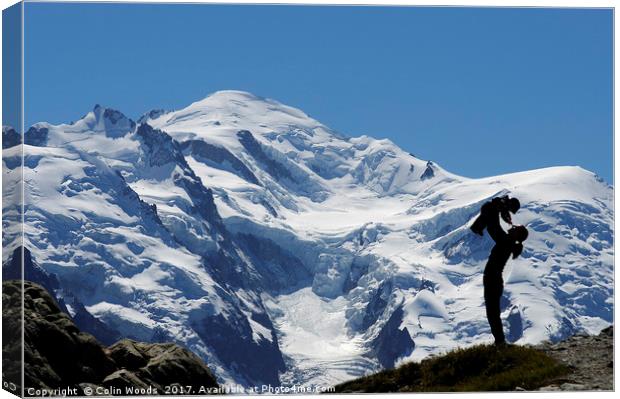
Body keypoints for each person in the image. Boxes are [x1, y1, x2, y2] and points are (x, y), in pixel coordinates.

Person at [481, 211, 529, 345]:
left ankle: (500, 342)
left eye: (515, 229)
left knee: (492, 313)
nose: (512, 228)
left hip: (493, 280)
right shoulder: (508, 242)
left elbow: (493, 228)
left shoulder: (506, 241)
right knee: (493, 312)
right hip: (494, 280)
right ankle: (499, 341)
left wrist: (494, 210)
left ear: (517, 235)